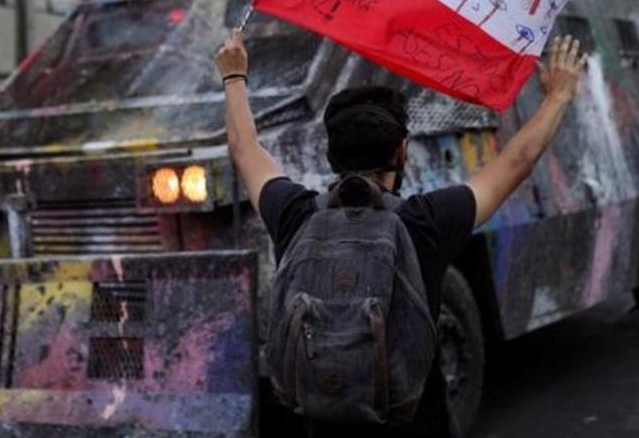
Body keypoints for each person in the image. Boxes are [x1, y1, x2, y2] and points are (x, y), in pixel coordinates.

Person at [215, 30, 587, 437]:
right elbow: (517, 161)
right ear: (402, 152)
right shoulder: (424, 222)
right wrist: (558, 96)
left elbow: (243, 147)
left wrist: (234, 75)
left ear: (330, 155)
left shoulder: (294, 214)